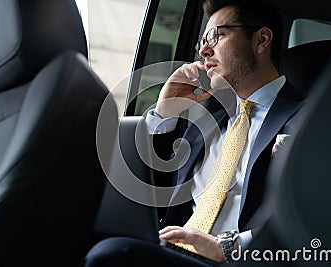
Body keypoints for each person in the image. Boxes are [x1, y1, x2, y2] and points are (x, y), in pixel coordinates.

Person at [84, 0, 305, 266]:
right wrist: (164, 114)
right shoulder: (208, 119)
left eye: (217, 35)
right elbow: (151, 190)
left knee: (112, 254)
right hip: (175, 250)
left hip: (241, 260)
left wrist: (227, 247)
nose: (204, 50)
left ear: (261, 40)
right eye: (202, 40)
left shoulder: (310, 120)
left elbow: (316, 214)